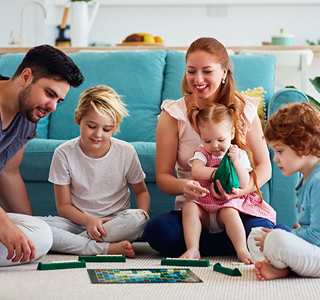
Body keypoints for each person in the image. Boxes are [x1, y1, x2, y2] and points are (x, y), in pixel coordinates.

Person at [145, 37, 290, 258]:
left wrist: (243, 190)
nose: (198, 79)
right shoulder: (173, 115)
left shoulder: (244, 110)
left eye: (207, 71)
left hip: (237, 206)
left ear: (224, 72)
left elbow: (264, 167)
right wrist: (185, 186)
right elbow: (163, 177)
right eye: (191, 71)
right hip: (198, 209)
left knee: (262, 230)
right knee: (158, 231)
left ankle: (228, 244)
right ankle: (232, 245)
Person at [39, 85, 150, 258]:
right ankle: (105, 248)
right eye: (91, 126)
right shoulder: (63, 153)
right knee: (34, 226)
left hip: (116, 223)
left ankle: (75, 244)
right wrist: (89, 221)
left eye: (106, 129)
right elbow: (63, 206)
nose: (98, 134)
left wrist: (142, 219)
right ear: (78, 118)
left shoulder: (126, 151)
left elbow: (141, 192)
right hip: (77, 223)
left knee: (136, 219)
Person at [0, 44, 84, 267]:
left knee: (40, 235)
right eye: (50, 94)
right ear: (26, 77)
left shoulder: (27, 117)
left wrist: (25, 229)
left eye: (59, 100)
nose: (53, 106)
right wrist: (4, 224)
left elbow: (8, 173)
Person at [180, 102, 276, 263]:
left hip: (227, 205)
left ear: (231, 133)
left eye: (220, 139)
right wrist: (221, 172)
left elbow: (244, 183)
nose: (214, 145)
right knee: (189, 207)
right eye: (207, 141)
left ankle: (241, 250)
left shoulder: (238, 154)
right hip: (203, 204)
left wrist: (236, 163)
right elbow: (197, 171)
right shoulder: (202, 152)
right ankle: (193, 249)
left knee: (230, 212)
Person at [248, 102, 320, 280]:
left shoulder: (318, 181)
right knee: (256, 235)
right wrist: (298, 232)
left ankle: (283, 268)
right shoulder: (307, 177)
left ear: (303, 144)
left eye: (279, 151)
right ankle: (281, 267)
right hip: (312, 251)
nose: (275, 159)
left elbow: (317, 236)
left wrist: (292, 235)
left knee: (276, 238)